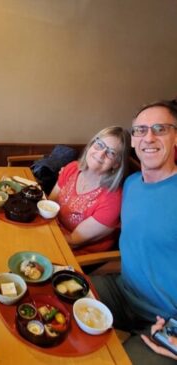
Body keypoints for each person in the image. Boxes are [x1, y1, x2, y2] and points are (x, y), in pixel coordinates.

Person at [92, 100, 177, 364]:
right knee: (55, 297)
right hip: (123, 292)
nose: (148, 137)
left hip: (167, 321)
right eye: (140, 130)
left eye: (160, 128)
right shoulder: (130, 184)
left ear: (176, 137)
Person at [48, 126, 131, 255]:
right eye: (99, 145)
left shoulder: (112, 199)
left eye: (111, 153)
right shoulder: (72, 168)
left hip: (75, 253)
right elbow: (49, 204)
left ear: (117, 164)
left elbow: (73, 241)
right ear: (91, 145)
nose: (101, 154)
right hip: (53, 231)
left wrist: (43, 236)